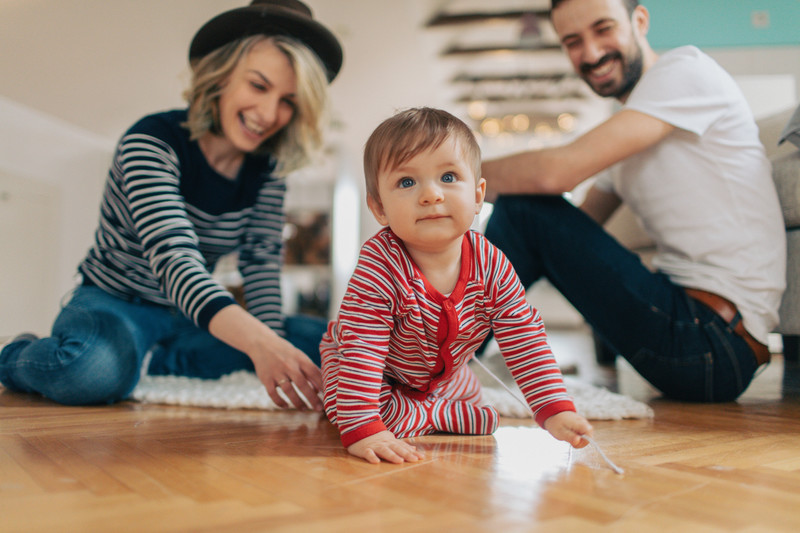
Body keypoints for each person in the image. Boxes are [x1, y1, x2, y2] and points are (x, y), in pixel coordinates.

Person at [0, 0, 343, 410]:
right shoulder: (151, 142)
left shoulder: (269, 170)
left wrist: (271, 349)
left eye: (289, 100)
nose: (269, 114)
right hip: (116, 303)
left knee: (335, 346)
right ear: (220, 76)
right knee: (90, 373)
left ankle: (154, 359)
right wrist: (262, 343)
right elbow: (174, 258)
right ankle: (15, 354)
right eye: (258, 85)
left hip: (192, 319)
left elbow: (261, 262)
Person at [481, 0, 786, 402]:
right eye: (573, 42)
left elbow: (555, 175)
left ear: (639, 21)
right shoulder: (632, 127)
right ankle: (437, 351)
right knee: (526, 214)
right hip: (695, 335)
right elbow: (572, 230)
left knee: (521, 211)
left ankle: (438, 363)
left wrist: (451, 173)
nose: (590, 53)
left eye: (603, 29)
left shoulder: (685, 70)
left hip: (711, 339)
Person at [320, 107, 593, 465]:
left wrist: (553, 408)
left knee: (471, 395)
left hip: (443, 379)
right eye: (407, 182)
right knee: (343, 407)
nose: (431, 194)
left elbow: (523, 336)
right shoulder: (379, 264)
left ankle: (430, 409)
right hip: (369, 371)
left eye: (448, 177)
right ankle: (434, 414)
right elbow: (363, 347)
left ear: (478, 195)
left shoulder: (492, 263)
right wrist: (363, 427)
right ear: (379, 208)